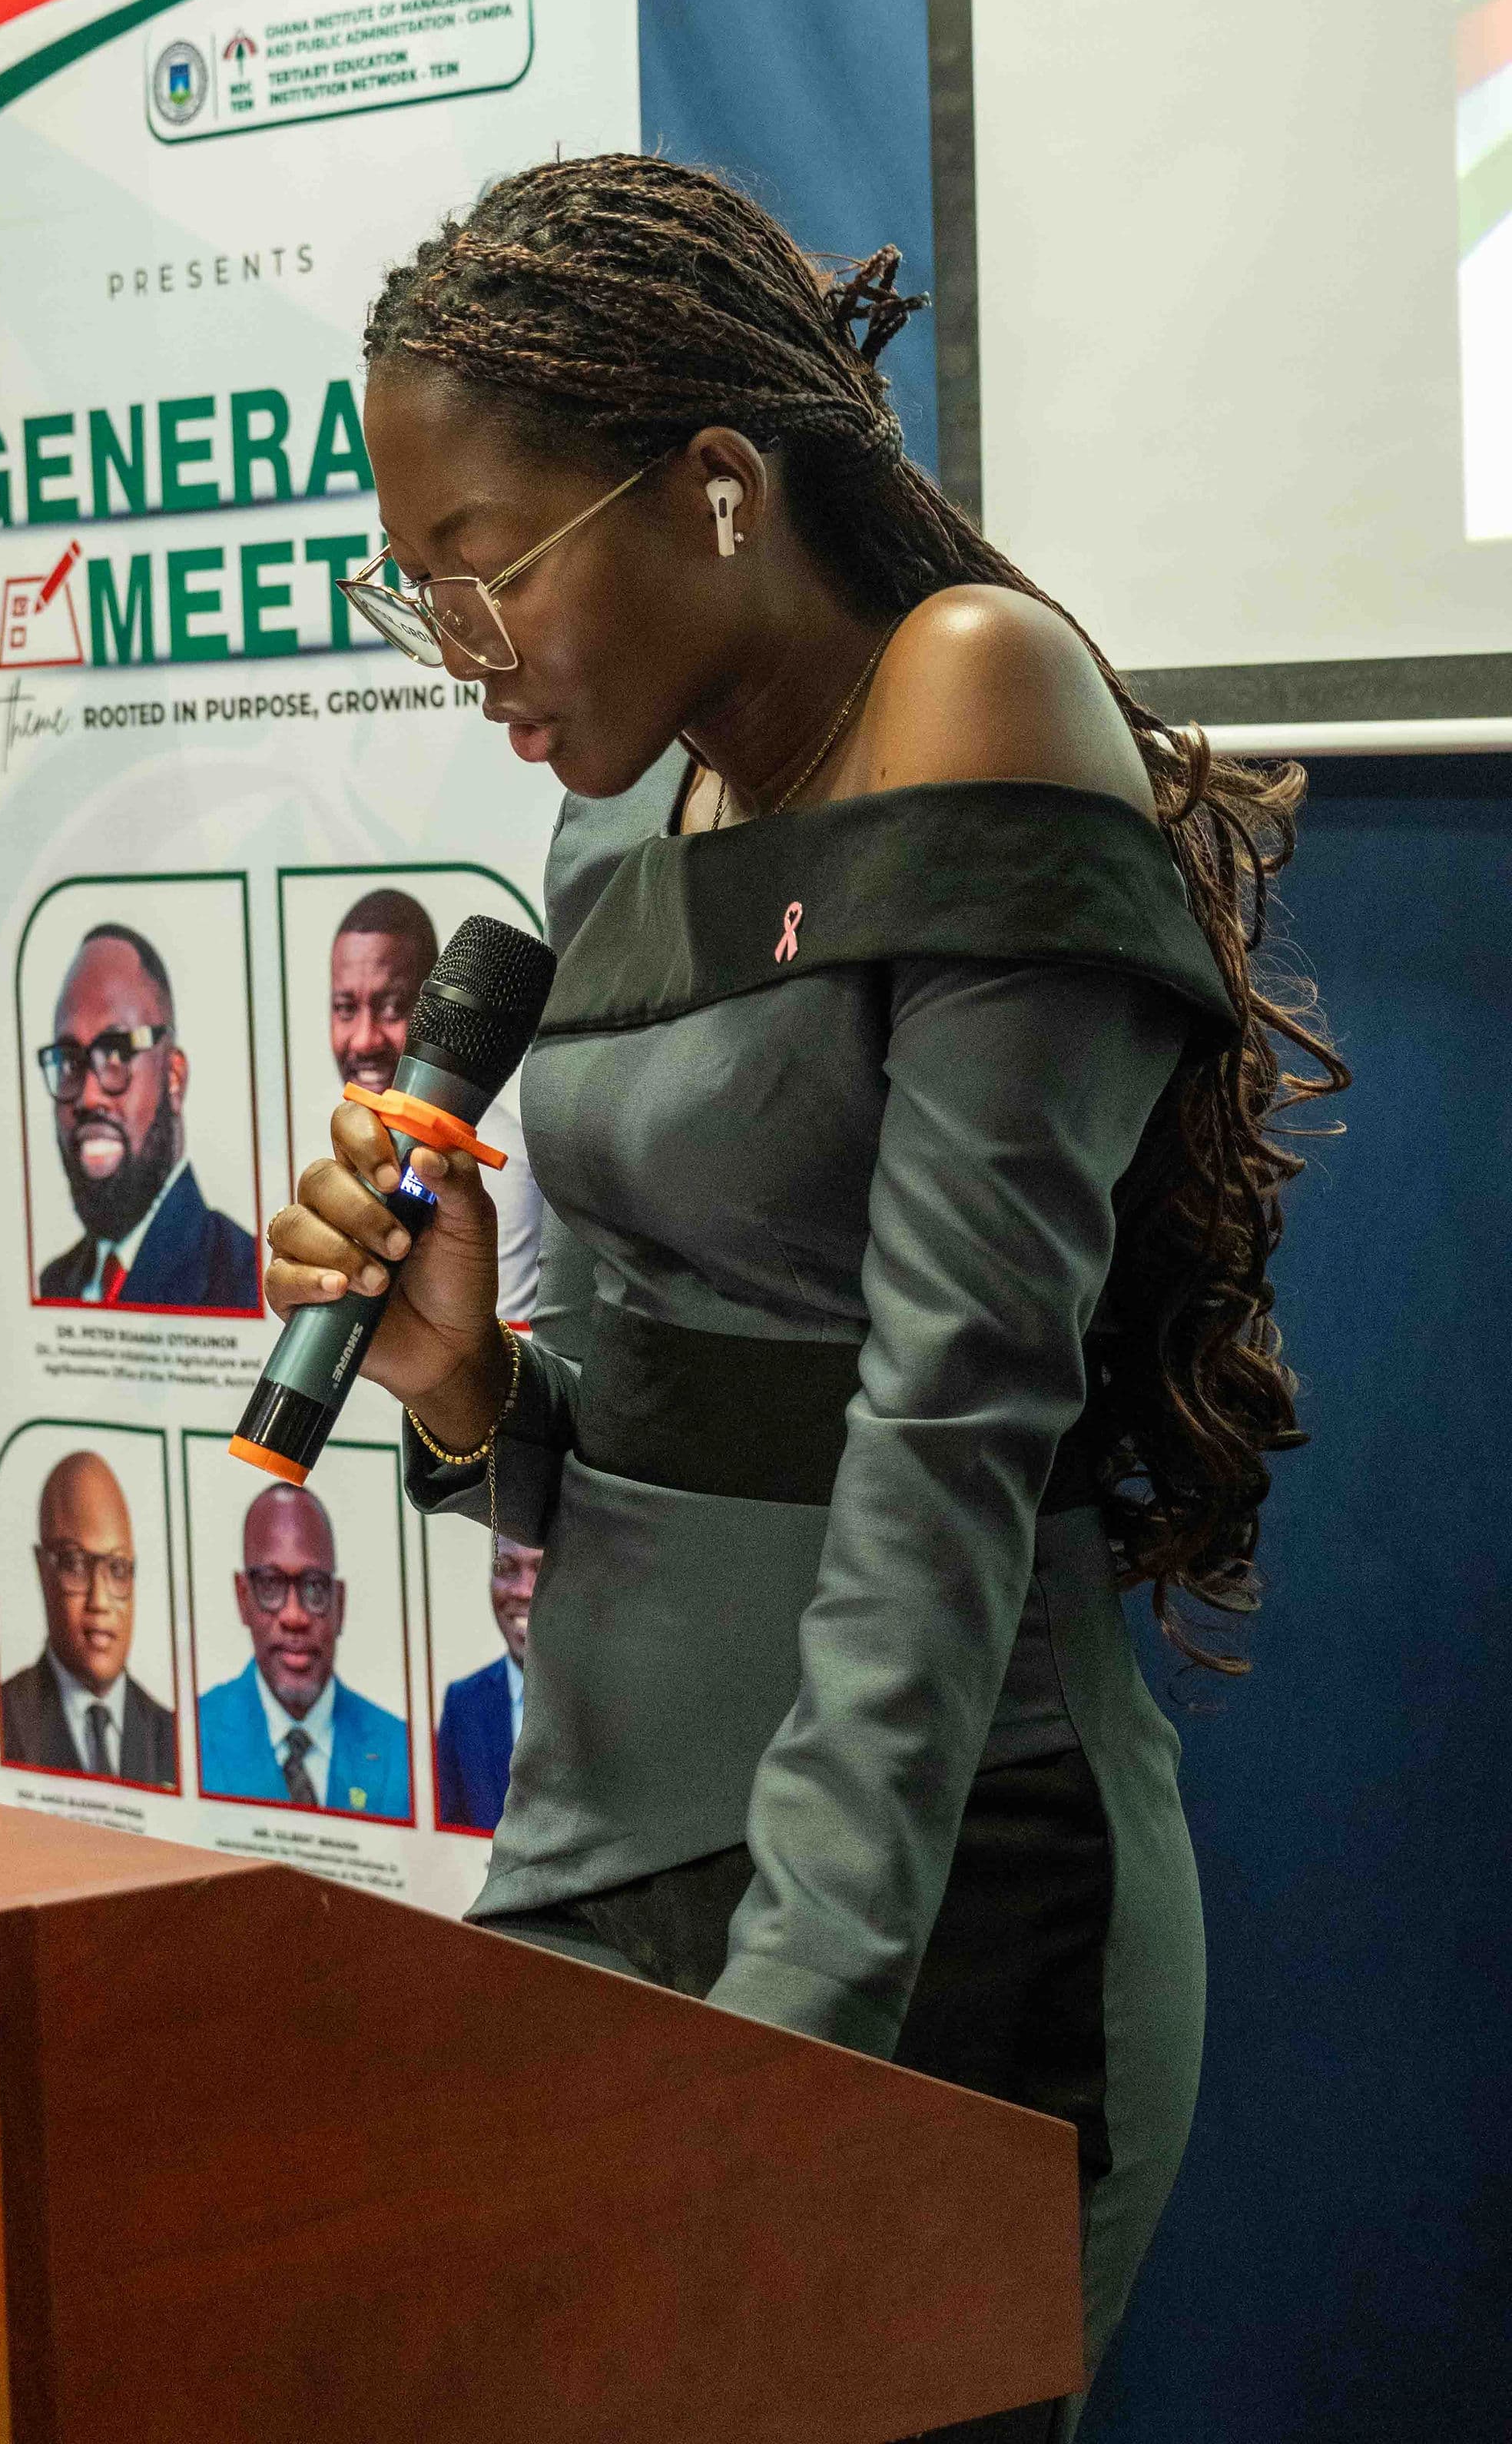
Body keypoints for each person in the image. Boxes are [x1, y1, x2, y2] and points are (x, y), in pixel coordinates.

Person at [261, 157, 1348, 2438]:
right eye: (414, 586)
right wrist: (468, 1396)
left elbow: (941, 1444)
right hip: (598, 1852)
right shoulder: (613, 818)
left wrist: (780, 2059)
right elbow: (692, 1389)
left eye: (487, 564)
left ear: (717, 484)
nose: (463, 648)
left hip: (919, 1896)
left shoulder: (971, 689)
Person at [327, 885, 542, 1322]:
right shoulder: (347, 1133)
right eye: (346, 1008)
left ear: (431, 1012)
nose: (364, 1040)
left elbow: (506, 1348)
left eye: (392, 1008)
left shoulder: (503, 1170)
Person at [35, 921, 258, 1310]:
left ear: (174, 1077)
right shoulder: (56, 1282)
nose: (88, 1096)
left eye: (117, 1053)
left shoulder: (245, 1279)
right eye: (69, 1062)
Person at [196, 1481, 410, 1818]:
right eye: (270, 1583)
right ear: (242, 1598)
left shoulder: (403, 1752)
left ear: (340, 1604)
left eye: (315, 1586)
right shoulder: (192, 1736)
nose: (294, 1616)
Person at [0, 1449, 177, 1788]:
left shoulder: (174, 1740)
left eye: (118, 1569)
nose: (100, 1601)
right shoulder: (2, 1721)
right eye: (75, 1564)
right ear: (43, 1570)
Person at [435, 1532, 542, 1832]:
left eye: (543, 1569)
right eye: (505, 1568)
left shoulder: (610, 1701)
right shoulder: (463, 1704)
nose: (523, 1590)